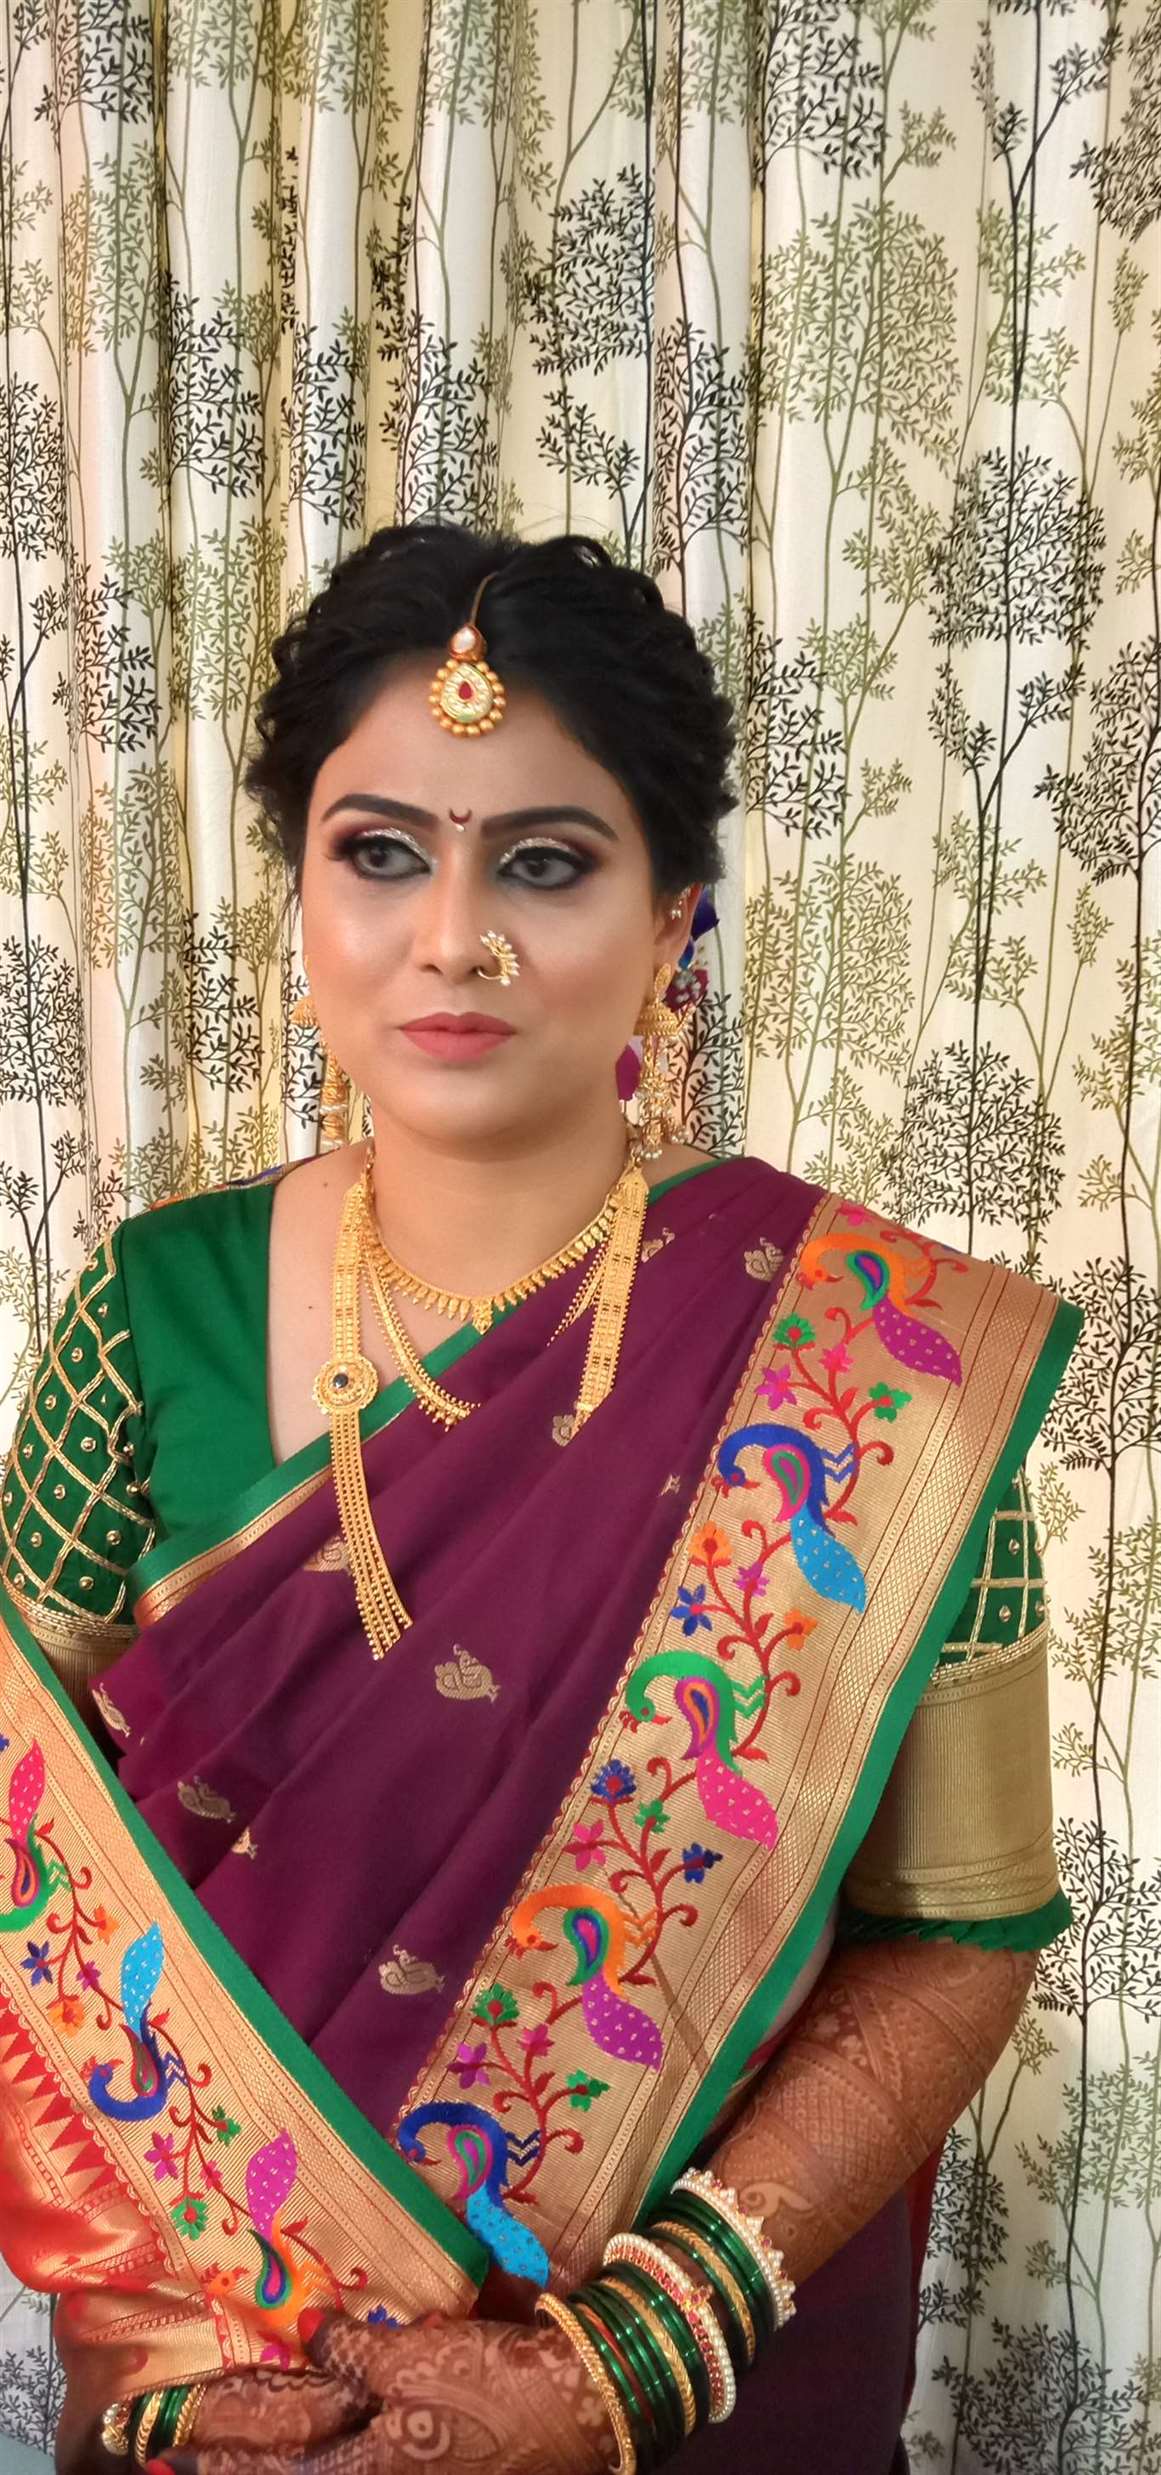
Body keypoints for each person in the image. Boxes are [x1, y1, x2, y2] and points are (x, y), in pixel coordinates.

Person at [0, 524, 1080, 2475]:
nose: (453, 937)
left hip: (707, 2396)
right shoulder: (148, 1323)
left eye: (546, 863)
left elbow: (962, 1925)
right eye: (380, 852)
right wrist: (164, 2346)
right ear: (301, 897)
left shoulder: (873, 1365)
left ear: (671, 927)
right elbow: (25, 1868)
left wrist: (629, 2357)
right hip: (221, 2393)